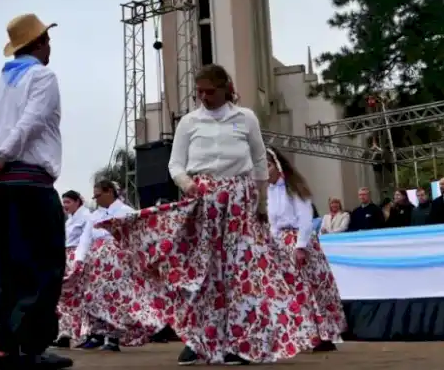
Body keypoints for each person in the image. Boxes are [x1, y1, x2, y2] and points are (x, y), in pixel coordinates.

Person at [99, 63, 320, 365]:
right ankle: (199, 339)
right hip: (203, 200)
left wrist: (260, 203)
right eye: (199, 92)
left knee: (241, 272)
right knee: (203, 272)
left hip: (240, 201)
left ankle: (243, 343)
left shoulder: (246, 118)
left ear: (226, 88)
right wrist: (187, 185)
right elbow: (175, 164)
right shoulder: (190, 122)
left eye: (210, 91)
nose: (203, 97)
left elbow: (258, 161)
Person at [0, 13, 72, 370]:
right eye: (47, 40)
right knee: (40, 263)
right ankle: (31, 346)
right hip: (29, 182)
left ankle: (6, 347)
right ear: (39, 43)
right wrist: (2, 158)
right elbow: (32, 122)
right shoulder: (43, 77)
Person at [265, 146, 344, 352]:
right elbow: (273, 224)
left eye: (268, 166)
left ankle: (323, 334)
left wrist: (300, 246)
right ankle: (304, 334)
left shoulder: (294, 189)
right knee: (291, 292)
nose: (265, 171)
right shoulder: (269, 191)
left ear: (278, 166)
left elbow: (306, 220)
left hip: (300, 241)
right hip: (282, 243)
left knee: (311, 289)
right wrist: (272, 245)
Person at [72, 180, 161, 352]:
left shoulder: (126, 212)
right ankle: (96, 335)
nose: (96, 200)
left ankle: (113, 339)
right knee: (93, 297)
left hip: (118, 264)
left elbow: (138, 235)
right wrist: (79, 259)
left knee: (114, 299)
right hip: (95, 264)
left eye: (98, 195)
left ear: (109, 192)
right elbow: (85, 238)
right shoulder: (94, 215)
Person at [53, 190, 90, 348]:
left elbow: (87, 239)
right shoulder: (68, 220)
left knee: (80, 296)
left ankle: (82, 335)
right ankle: (65, 333)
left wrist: (80, 260)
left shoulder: (87, 216)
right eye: (64, 202)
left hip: (78, 257)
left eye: (68, 202)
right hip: (65, 257)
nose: (65, 205)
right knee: (63, 297)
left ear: (77, 202)